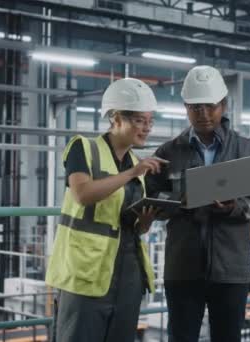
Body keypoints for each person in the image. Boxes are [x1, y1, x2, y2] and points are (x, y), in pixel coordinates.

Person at [146, 65, 250, 342]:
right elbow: (151, 200)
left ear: (223, 105)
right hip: (183, 269)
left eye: (209, 106)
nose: (203, 114)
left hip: (230, 270)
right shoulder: (169, 152)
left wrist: (234, 207)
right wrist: (180, 201)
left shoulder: (247, 149)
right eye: (195, 107)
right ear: (185, 108)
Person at [45, 78, 167, 342]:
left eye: (149, 121)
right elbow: (82, 194)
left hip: (129, 274)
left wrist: (146, 221)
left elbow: (132, 225)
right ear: (115, 118)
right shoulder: (84, 148)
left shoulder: (137, 163)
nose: (146, 128)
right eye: (139, 121)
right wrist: (133, 173)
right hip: (86, 271)